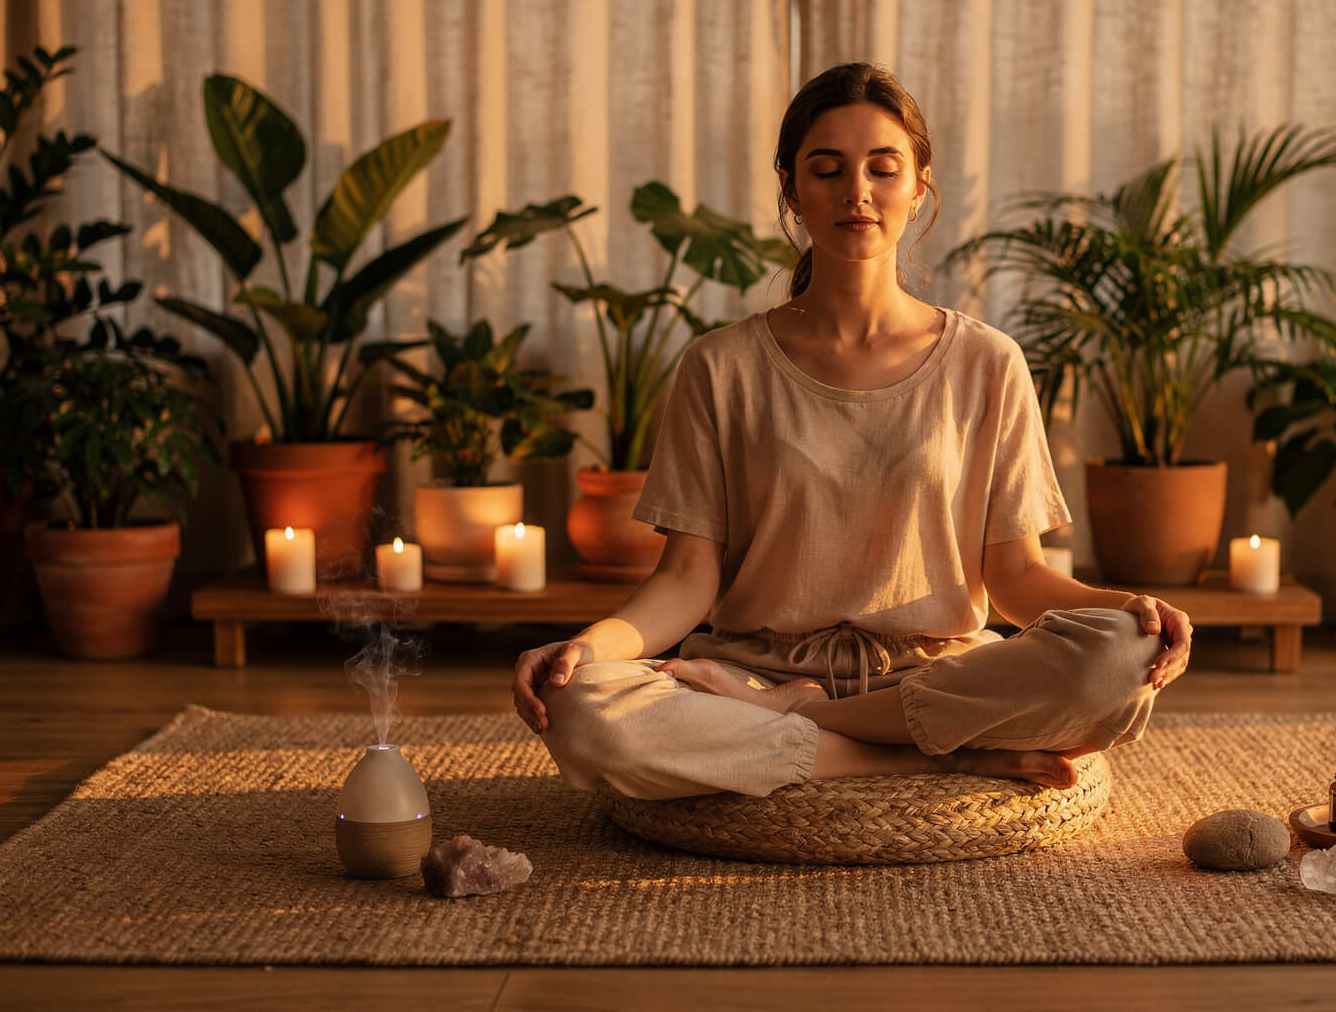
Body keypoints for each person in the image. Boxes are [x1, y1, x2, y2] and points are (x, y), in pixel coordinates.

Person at [511, 62, 1192, 800]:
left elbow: (1018, 580)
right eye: (827, 169)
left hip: (934, 677)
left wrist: (1127, 610)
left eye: (883, 168)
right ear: (792, 190)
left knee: (1119, 661)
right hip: (748, 674)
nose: (856, 191)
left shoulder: (987, 362)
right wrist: (585, 647)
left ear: (920, 186)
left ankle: (803, 728)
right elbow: (685, 581)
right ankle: (916, 757)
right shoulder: (720, 366)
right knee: (583, 709)